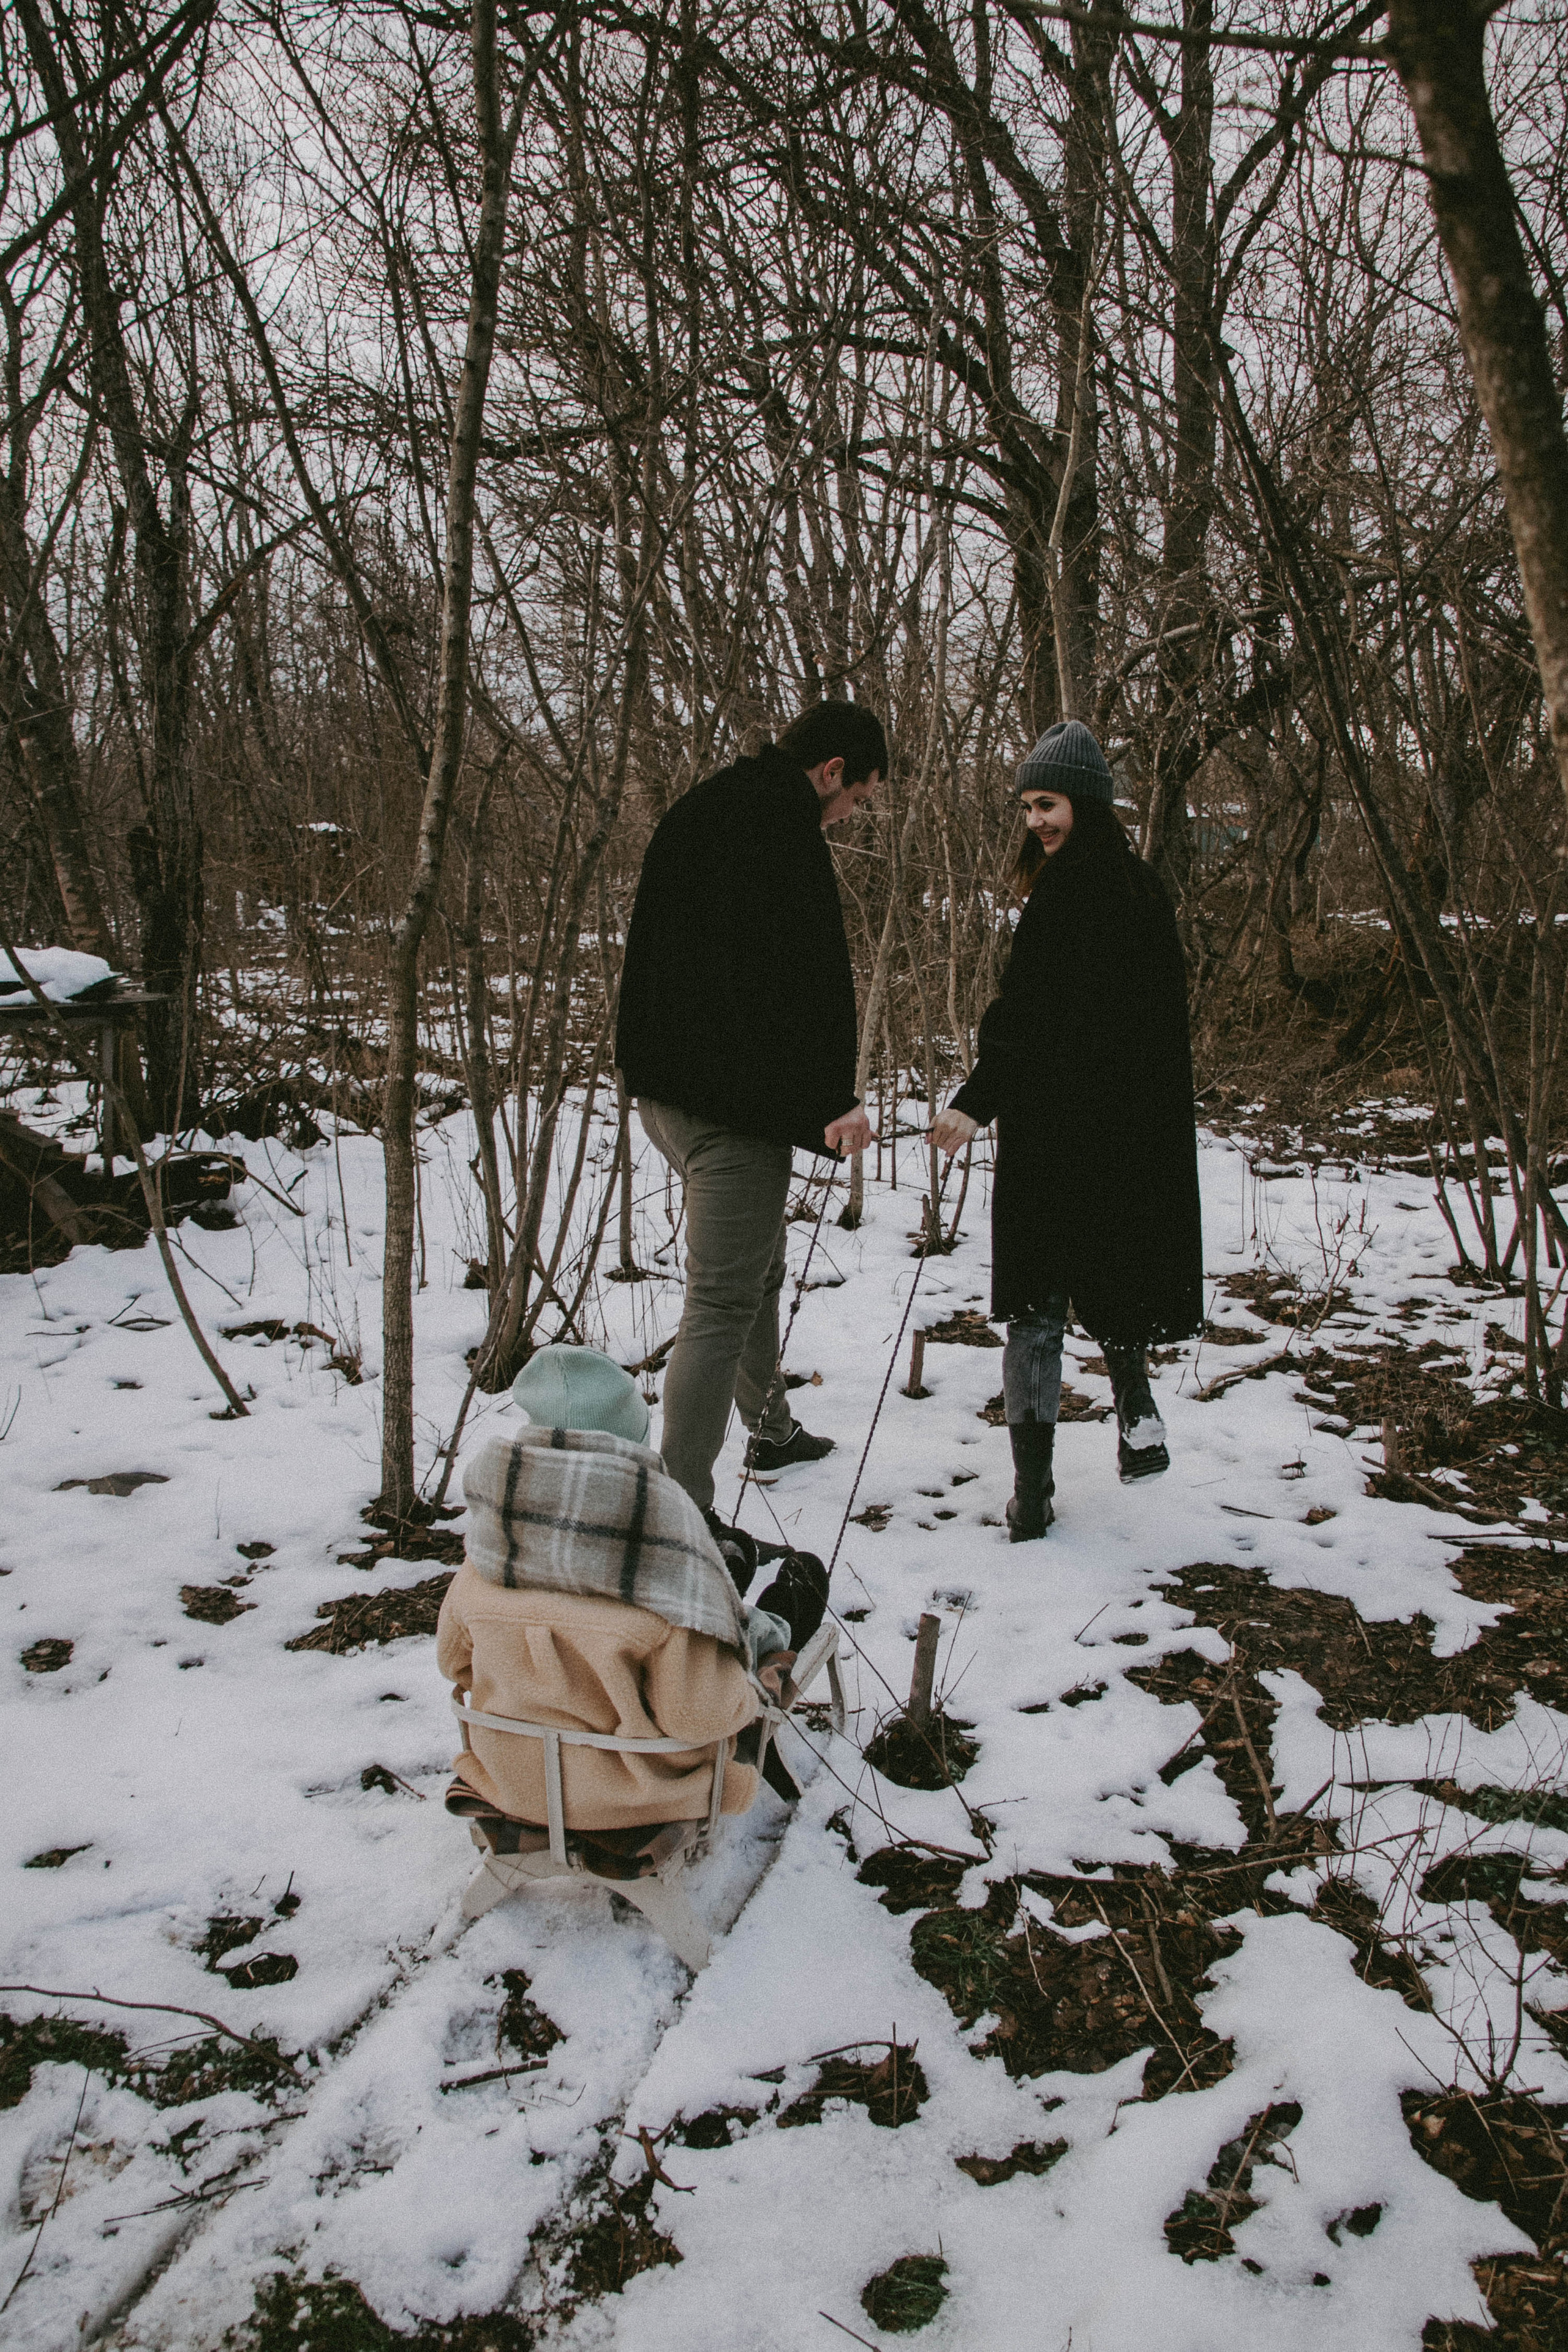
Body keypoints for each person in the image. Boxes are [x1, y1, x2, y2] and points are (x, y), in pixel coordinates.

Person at [614, 701, 884, 1547]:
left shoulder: (709, 804)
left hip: (665, 1087)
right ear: (832, 770)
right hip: (724, 1106)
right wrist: (832, 1102)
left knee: (756, 1262)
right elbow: (804, 981)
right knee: (722, 1300)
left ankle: (769, 1430)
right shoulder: (780, 828)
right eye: (857, 798)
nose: (850, 817)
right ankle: (680, 1516)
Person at [930, 720, 1202, 1540]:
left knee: (1039, 1304)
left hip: (1055, 1126)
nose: (1036, 823)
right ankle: (1137, 1407)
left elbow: (1026, 1015)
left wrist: (976, 1101)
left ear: (1084, 799)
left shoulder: (1065, 893)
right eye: (1028, 809)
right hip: (1128, 1127)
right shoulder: (1142, 885)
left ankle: (1033, 1493)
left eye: (1047, 805)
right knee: (1113, 1266)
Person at [437, 1346, 829, 1873]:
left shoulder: (483, 1562)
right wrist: (748, 1682)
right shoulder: (663, 1580)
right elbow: (698, 1713)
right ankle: (764, 1583)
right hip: (634, 1797)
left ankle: (732, 1560)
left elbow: (454, 1664)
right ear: (632, 1448)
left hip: (512, 1781)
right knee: (800, 1582)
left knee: (714, 1577)